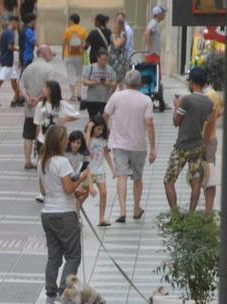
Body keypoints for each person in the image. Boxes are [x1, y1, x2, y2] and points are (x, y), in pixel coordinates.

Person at [38, 125, 90, 304]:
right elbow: (68, 188)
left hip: (48, 214)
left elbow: (44, 190)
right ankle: (64, 293)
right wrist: (81, 179)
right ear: (59, 141)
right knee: (73, 256)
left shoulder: (42, 162)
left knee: (54, 257)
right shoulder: (62, 162)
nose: (68, 141)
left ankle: (50, 296)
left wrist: (69, 191)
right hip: (64, 214)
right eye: (66, 138)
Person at [103, 69, 156, 223]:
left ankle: (122, 210)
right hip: (138, 145)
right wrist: (153, 147)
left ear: (124, 83)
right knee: (138, 178)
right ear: (140, 84)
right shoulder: (146, 100)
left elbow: (105, 115)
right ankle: (136, 208)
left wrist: (106, 132)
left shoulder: (116, 97)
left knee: (122, 176)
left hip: (119, 143)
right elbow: (149, 124)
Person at [164, 68, 216, 214]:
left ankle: (175, 214)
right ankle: (191, 214)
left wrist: (176, 106)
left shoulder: (185, 100)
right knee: (196, 182)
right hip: (197, 146)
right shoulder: (209, 103)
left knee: (169, 180)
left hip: (181, 146)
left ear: (192, 82)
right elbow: (208, 122)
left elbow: (176, 121)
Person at [19, 45, 59, 171]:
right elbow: (51, 88)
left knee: (28, 135)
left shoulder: (28, 67)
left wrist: (27, 98)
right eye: (50, 52)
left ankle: (27, 161)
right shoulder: (49, 69)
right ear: (44, 53)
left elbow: (21, 86)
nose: (51, 54)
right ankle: (41, 160)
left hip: (29, 108)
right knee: (43, 134)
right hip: (44, 108)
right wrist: (38, 98)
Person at [84, 114, 116, 225]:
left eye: (102, 130)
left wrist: (112, 168)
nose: (100, 132)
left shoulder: (103, 140)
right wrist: (88, 129)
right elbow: (86, 147)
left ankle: (101, 218)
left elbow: (106, 154)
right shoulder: (87, 137)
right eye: (98, 129)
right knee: (83, 194)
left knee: (104, 193)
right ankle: (77, 214)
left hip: (100, 170)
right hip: (88, 171)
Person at [0, 16, 24, 107]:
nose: (18, 26)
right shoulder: (11, 33)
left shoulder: (4, 32)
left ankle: (17, 98)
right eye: (17, 24)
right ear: (14, 23)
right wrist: (19, 49)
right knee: (0, 80)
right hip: (7, 60)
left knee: (14, 80)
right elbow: (10, 47)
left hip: (6, 59)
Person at [199, 80, 224, 212]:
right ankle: (207, 208)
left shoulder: (208, 96)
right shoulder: (214, 94)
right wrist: (216, 117)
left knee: (208, 175)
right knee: (207, 174)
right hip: (210, 138)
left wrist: (203, 142)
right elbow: (223, 106)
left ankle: (208, 210)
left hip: (207, 140)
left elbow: (209, 123)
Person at [33, 80, 79, 147]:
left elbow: (77, 115)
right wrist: (36, 142)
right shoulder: (40, 105)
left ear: (51, 91)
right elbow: (38, 125)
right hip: (42, 141)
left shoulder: (62, 104)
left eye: (45, 87)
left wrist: (65, 119)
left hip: (57, 141)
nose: (42, 89)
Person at [81, 49, 116, 119]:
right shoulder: (90, 67)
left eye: (105, 60)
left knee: (104, 120)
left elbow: (114, 83)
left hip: (104, 100)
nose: (103, 62)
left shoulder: (110, 69)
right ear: (97, 58)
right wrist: (95, 82)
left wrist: (108, 84)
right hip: (91, 100)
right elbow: (85, 82)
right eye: (101, 59)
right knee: (92, 120)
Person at [62, 13, 88, 102]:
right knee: (79, 75)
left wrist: (62, 54)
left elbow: (64, 43)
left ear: (72, 20)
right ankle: (79, 94)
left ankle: (73, 95)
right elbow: (86, 42)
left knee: (71, 75)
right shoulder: (83, 30)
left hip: (68, 55)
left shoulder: (67, 30)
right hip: (79, 55)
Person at [109, 18, 128, 88]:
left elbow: (117, 45)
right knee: (114, 79)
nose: (113, 28)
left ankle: (120, 95)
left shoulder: (122, 34)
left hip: (120, 59)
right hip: (114, 59)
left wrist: (118, 37)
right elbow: (116, 45)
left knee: (120, 80)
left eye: (115, 26)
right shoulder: (114, 36)